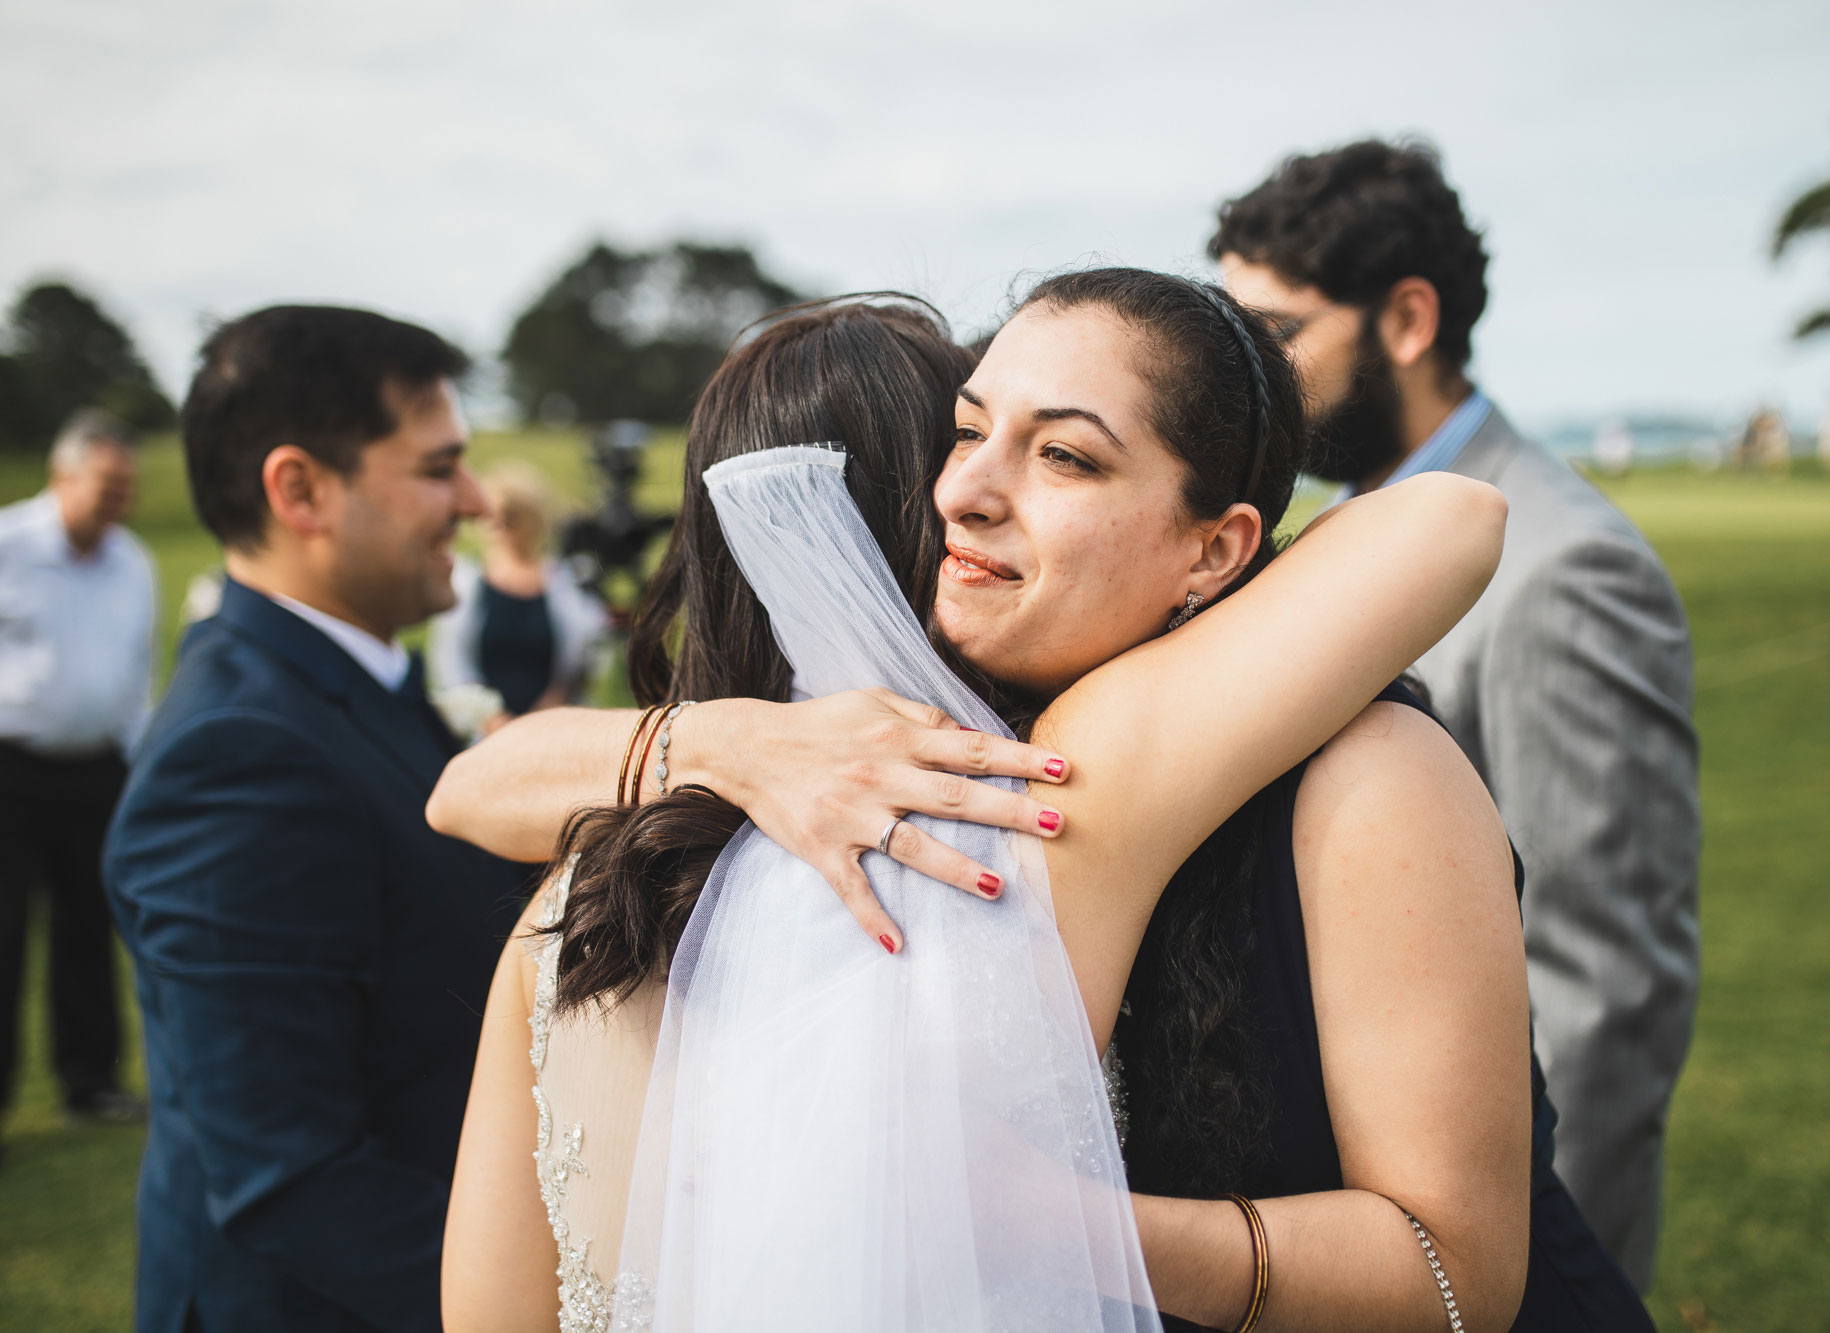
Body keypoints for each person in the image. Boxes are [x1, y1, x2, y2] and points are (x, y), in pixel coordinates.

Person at [437, 272, 1653, 1330]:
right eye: (961, 439)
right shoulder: (998, 811)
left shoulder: (1244, 772)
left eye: (1064, 452)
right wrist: (740, 741)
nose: (968, 494)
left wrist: (1071, 1226)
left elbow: (1459, 1274)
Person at [1211, 139, 1701, 1292]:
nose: (1240, 379)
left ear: (1408, 319)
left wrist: (1520, 1281)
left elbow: (1597, 995)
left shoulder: (1561, 568)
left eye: (1273, 335)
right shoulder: (1337, 528)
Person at [103, 306, 525, 1333]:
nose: (472, 502)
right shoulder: (239, 756)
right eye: (437, 469)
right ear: (299, 490)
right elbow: (290, 1176)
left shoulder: (352, 681)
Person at [0, 409, 153, 1143]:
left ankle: (89, 1081)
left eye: (128, 486)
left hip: (98, 769)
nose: (120, 499)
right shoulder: (8, 544)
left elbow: (134, 678)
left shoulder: (134, 563)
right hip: (11, 767)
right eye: (108, 484)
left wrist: (140, 763)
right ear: (64, 477)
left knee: (89, 928)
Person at [428, 460, 607, 736]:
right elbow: (451, 662)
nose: (499, 527)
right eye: (491, 518)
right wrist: (491, 719)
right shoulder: (465, 584)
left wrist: (550, 708)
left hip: (555, 731)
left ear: (532, 520)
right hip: (486, 737)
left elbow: (584, 659)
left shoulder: (567, 584)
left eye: (510, 518)